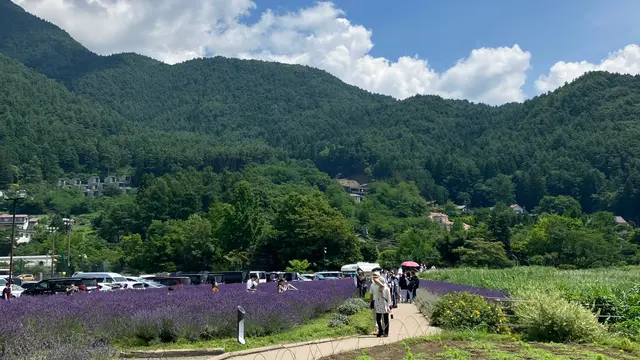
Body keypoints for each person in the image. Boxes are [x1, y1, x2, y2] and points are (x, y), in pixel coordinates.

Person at [371, 272, 391, 337]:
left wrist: (389, 306)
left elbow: (389, 299)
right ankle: (380, 331)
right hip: (378, 305)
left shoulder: (387, 289)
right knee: (378, 319)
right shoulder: (377, 287)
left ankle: (386, 332)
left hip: (385, 305)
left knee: (385, 320)